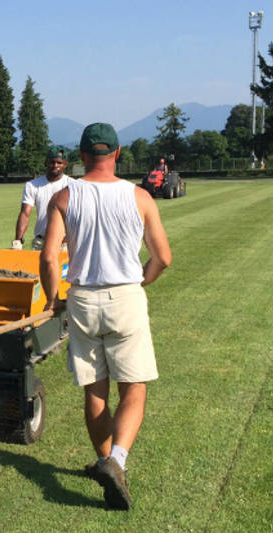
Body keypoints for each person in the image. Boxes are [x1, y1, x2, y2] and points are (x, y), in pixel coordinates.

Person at [39, 123, 172, 510]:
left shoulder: (64, 196)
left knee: (94, 391)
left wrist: (53, 298)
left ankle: (106, 462)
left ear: (80, 157)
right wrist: (142, 282)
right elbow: (163, 257)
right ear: (118, 153)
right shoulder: (141, 197)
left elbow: (49, 257)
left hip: (82, 299)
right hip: (126, 297)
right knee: (133, 388)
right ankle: (117, 461)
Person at [12, 146, 71, 251]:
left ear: (65, 164)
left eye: (59, 163)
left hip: (65, 242)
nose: (55, 165)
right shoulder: (32, 185)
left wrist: (68, 238)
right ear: (46, 163)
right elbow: (25, 214)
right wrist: (18, 240)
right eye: (52, 162)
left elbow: (77, 217)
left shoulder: (72, 185)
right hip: (41, 241)